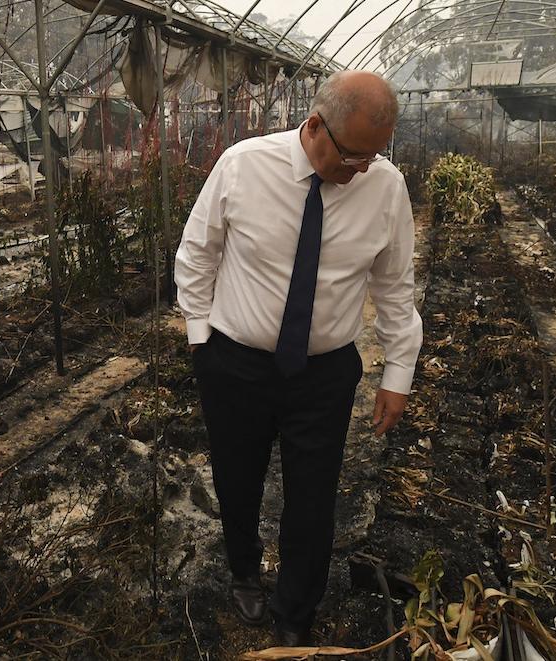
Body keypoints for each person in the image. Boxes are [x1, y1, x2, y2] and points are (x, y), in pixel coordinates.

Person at [174, 70, 423, 645]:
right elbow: (197, 253)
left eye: (374, 156)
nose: (363, 168)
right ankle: (243, 571)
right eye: (354, 156)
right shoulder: (243, 166)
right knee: (237, 480)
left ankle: (295, 614)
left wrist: (399, 373)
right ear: (314, 127)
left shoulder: (385, 187)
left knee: (313, 500)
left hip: (324, 374)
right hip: (236, 363)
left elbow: (395, 288)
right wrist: (200, 340)